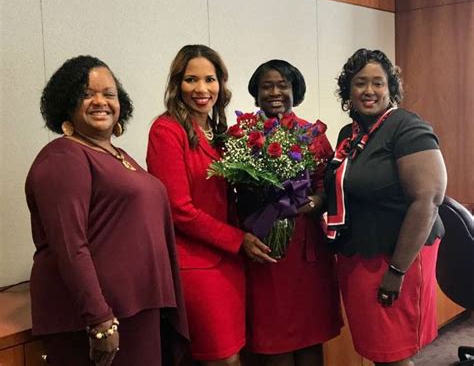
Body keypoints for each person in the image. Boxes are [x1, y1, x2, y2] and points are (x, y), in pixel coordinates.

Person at [25, 55, 188, 366]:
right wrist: (99, 320)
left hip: (138, 308)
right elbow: (70, 246)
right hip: (100, 317)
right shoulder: (63, 158)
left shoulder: (117, 155)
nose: (100, 101)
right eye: (87, 94)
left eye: (109, 94)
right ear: (67, 102)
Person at [146, 45, 273, 366]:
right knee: (222, 358)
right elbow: (178, 209)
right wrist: (237, 239)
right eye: (191, 80)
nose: (202, 89)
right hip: (198, 265)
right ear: (177, 85)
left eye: (210, 79)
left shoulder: (217, 133)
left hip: (228, 262)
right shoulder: (166, 131)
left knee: (236, 355)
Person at [324, 48, 447, 366]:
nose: (368, 90)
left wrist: (397, 270)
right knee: (376, 349)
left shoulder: (406, 126)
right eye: (360, 83)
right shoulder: (348, 135)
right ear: (347, 91)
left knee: (393, 353)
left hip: (396, 255)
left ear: (391, 89)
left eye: (377, 83)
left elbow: (428, 199)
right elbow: (342, 188)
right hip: (358, 255)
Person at [243, 60, 342, 366]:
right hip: (265, 247)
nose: (275, 92)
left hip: (307, 248)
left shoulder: (311, 134)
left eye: (282, 85)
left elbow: (330, 188)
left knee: (310, 337)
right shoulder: (243, 134)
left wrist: (312, 202)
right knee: (274, 341)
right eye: (267, 86)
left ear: (294, 90)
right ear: (256, 93)